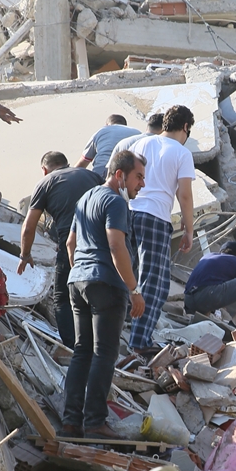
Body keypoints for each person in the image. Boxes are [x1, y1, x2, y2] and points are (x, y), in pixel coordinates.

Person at [61, 149, 147, 438]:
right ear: (119, 175)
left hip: (78, 282)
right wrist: (133, 289)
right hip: (106, 284)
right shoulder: (114, 201)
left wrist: (82, 272)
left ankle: (71, 421)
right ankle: (96, 422)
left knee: (82, 352)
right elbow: (116, 246)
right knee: (103, 353)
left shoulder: (86, 199)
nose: (141, 184)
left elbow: (71, 243)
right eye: (138, 177)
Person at [113, 103, 196, 356]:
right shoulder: (182, 153)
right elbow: (185, 195)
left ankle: (116, 331)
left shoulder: (140, 143)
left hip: (128, 213)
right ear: (185, 127)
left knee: (128, 273)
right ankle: (140, 341)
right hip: (156, 218)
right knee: (156, 283)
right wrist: (189, 228)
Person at [17, 151, 102, 348]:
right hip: (102, 243)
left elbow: (29, 226)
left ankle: (73, 348)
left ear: (44, 170)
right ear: (67, 164)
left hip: (73, 245)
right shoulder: (92, 176)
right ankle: (99, 345)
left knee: (62, 298)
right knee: (95, 295)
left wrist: (25, 255)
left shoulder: (45, 182)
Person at [184, 240, 236, 326]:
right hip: (207, 296)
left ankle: (201, 320)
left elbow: (230, 293)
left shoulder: (207, 257)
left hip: (189, 300)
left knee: (214, 287)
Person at [76, 114, 140, 179]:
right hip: (127, 175)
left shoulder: (101, 131)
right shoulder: (137, 133)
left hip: (101, 171)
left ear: (106, 124)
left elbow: (83, 162)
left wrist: (69, 174)